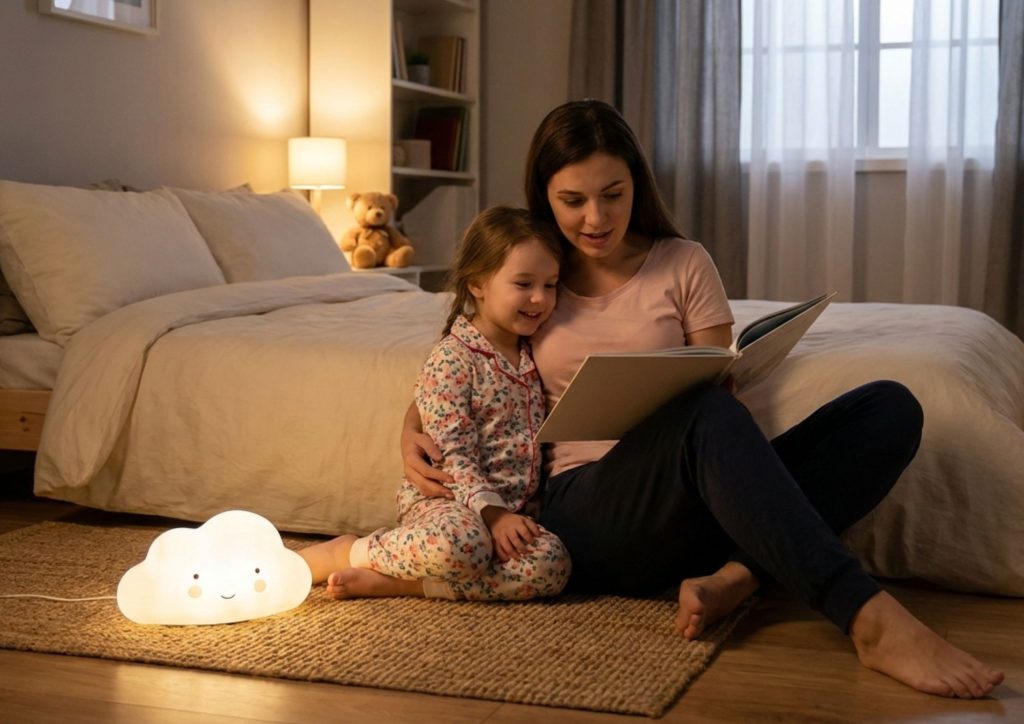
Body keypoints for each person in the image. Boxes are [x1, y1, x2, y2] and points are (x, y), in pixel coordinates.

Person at [401, 100, 1004, 698]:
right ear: (543, 194)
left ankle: (735, 576)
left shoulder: (684, 263)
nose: (596, 218)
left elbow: (712, 378)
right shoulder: (535, 275)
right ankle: (868, 617)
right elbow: (463, 358)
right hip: (591, 510)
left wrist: (726, 391)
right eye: (572, 200)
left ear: (637, 183)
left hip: (697, 494)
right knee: (705, 413)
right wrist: (411, 425)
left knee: (889, 407)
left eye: (613, 193)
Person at [301, 206, 570, 603]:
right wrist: (490, 514)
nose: (539, 298)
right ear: (478, 284)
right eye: (524, 283)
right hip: (447, 503)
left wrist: (510, 516)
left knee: (552, 563)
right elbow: (453, 455)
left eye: (550, 285)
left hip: (510, 511)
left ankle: (404, 584)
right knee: (462, 544)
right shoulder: (453, 359)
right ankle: (350, 551)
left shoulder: (534, 354)